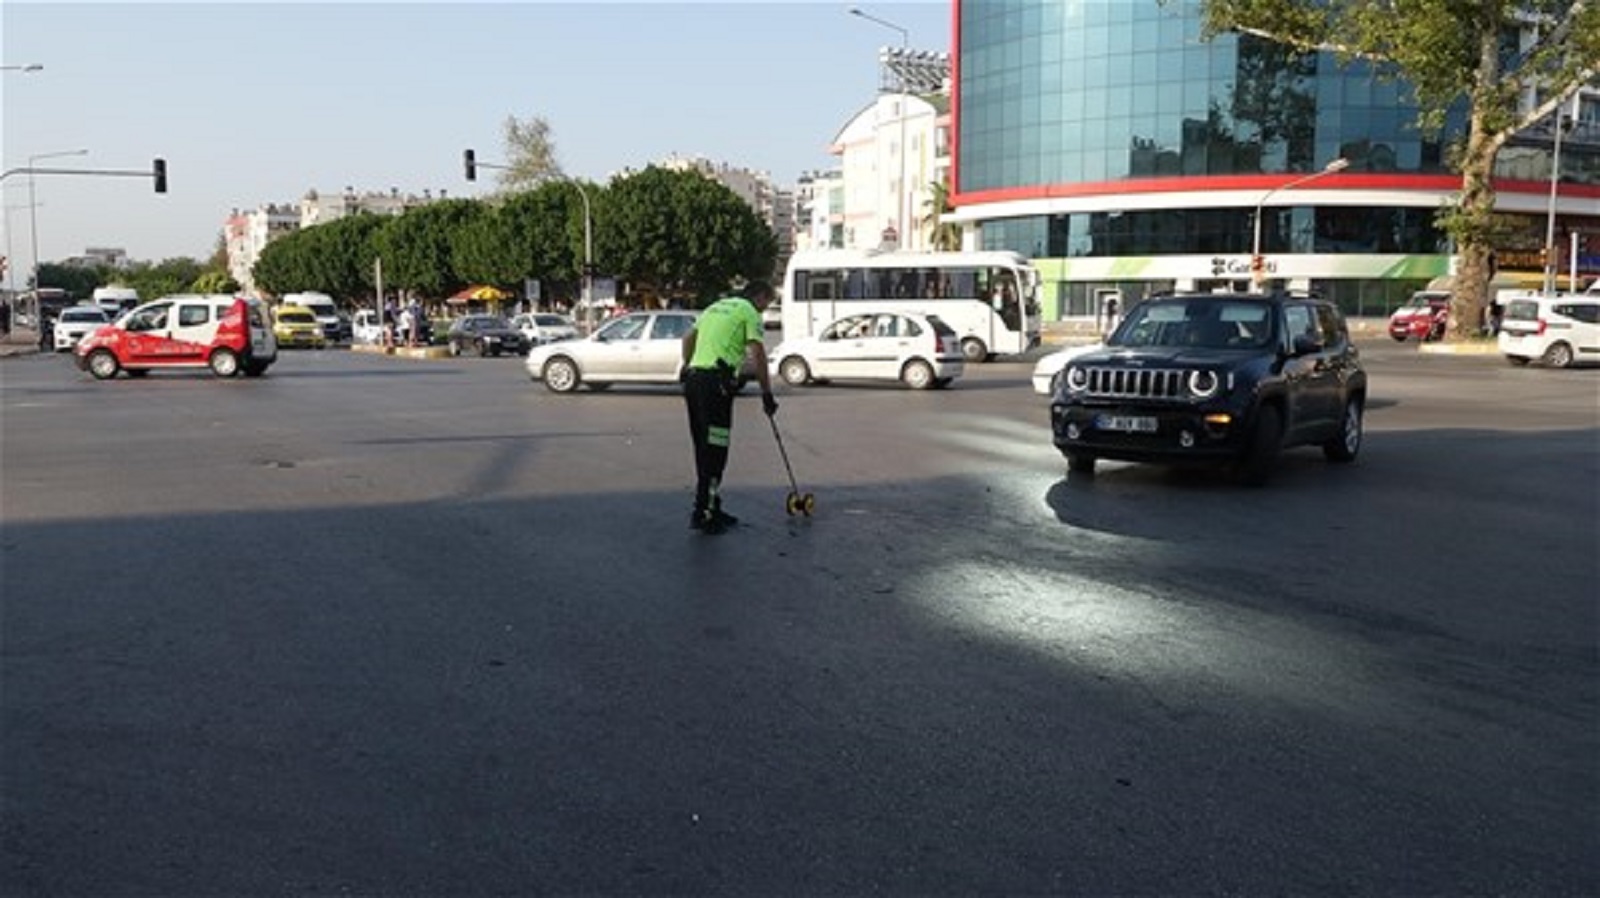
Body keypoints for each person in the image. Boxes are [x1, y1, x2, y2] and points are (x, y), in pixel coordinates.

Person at [680, 281, 779, 535]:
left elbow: (688, 338)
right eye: (766, 304)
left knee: (703, 447)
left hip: (694, 382)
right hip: (716, 387)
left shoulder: (716, 306)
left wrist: (688, 364)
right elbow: (758, 354)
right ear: (759, 297)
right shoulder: (748, 311)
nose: (764, 311)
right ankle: (704, 513)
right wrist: (766, 393)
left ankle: (712, 505)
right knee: (717, 450)